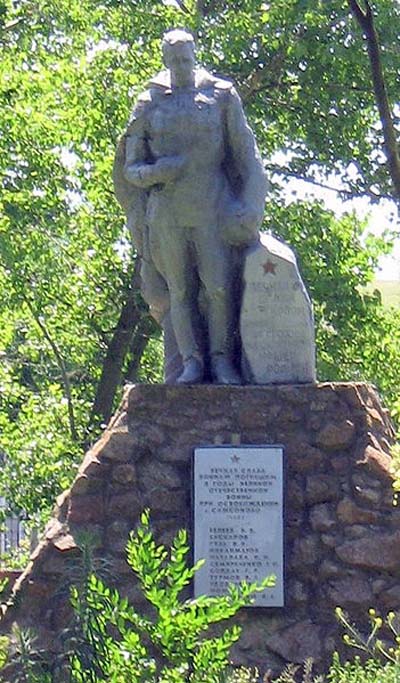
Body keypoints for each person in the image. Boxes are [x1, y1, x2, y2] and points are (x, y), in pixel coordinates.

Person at [114, 29, 267, 384]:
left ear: (195, 56)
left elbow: (246, 155)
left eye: (187, 58)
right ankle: (191, 361)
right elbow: (130, 170)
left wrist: (250, 204)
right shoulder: (148, 102)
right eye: (175, 60)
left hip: (213, 205)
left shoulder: (221, 95)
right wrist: (157, 172)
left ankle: (222, 360)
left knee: (217, 286)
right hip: (167, 212)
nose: (182, 66)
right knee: (180, 290)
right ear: (166, 60)